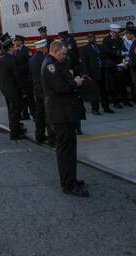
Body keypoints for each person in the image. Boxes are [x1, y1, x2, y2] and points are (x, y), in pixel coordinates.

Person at [42, 39, 88, 196]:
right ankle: (67, 184)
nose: (64, 57)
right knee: (64, 151)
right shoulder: (50, 66)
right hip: (60, 114)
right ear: (55, 51)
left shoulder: (56, 63)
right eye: (62, 54)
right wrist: (75, 83)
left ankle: (72, 178)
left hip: (67, 113)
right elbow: (59, 88)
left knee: (71, 149)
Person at [0, 42, 26, 140]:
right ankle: (15, 133)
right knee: (16, 111)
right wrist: (23, 88)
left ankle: (14, 128)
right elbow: (18, 76)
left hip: (5, 89)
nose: (14, 48)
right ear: (10, 48)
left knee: (11, 110)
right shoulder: (13, 60)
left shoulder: (0, 60)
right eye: (13, 47)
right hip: (14, 89)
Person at [29, 37, 51, 145]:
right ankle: (52, 138)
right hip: (45, 89)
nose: (47, 49)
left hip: (37, 88)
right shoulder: (44, 59)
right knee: (48, 113)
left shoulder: (32, 59)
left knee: (39, 113)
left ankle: (39, 135)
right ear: (43, 48)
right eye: (46, 47)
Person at [81, 34, 107, 115]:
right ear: (88, 39)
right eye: (90, 38)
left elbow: (103, 58)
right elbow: (84, 63)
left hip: (102, 72)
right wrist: (87, 74)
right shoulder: (85, 49)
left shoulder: (99, 47)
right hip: (92, 74)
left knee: (104, 91)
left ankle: (106, 107)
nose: (92, 39)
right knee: (94, 93)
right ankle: (95, 109)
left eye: (93, 38)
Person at [13, 36, 33, 121]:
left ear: (20, 41)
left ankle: (33, 113)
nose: (15, 42)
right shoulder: (16, 51)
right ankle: (25, 114)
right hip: (20, 79)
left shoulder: (26, 50)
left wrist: (21, 68)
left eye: (16, 41)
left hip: (26, 78)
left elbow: (30, 62)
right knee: (22, 98)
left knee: (30, 97)